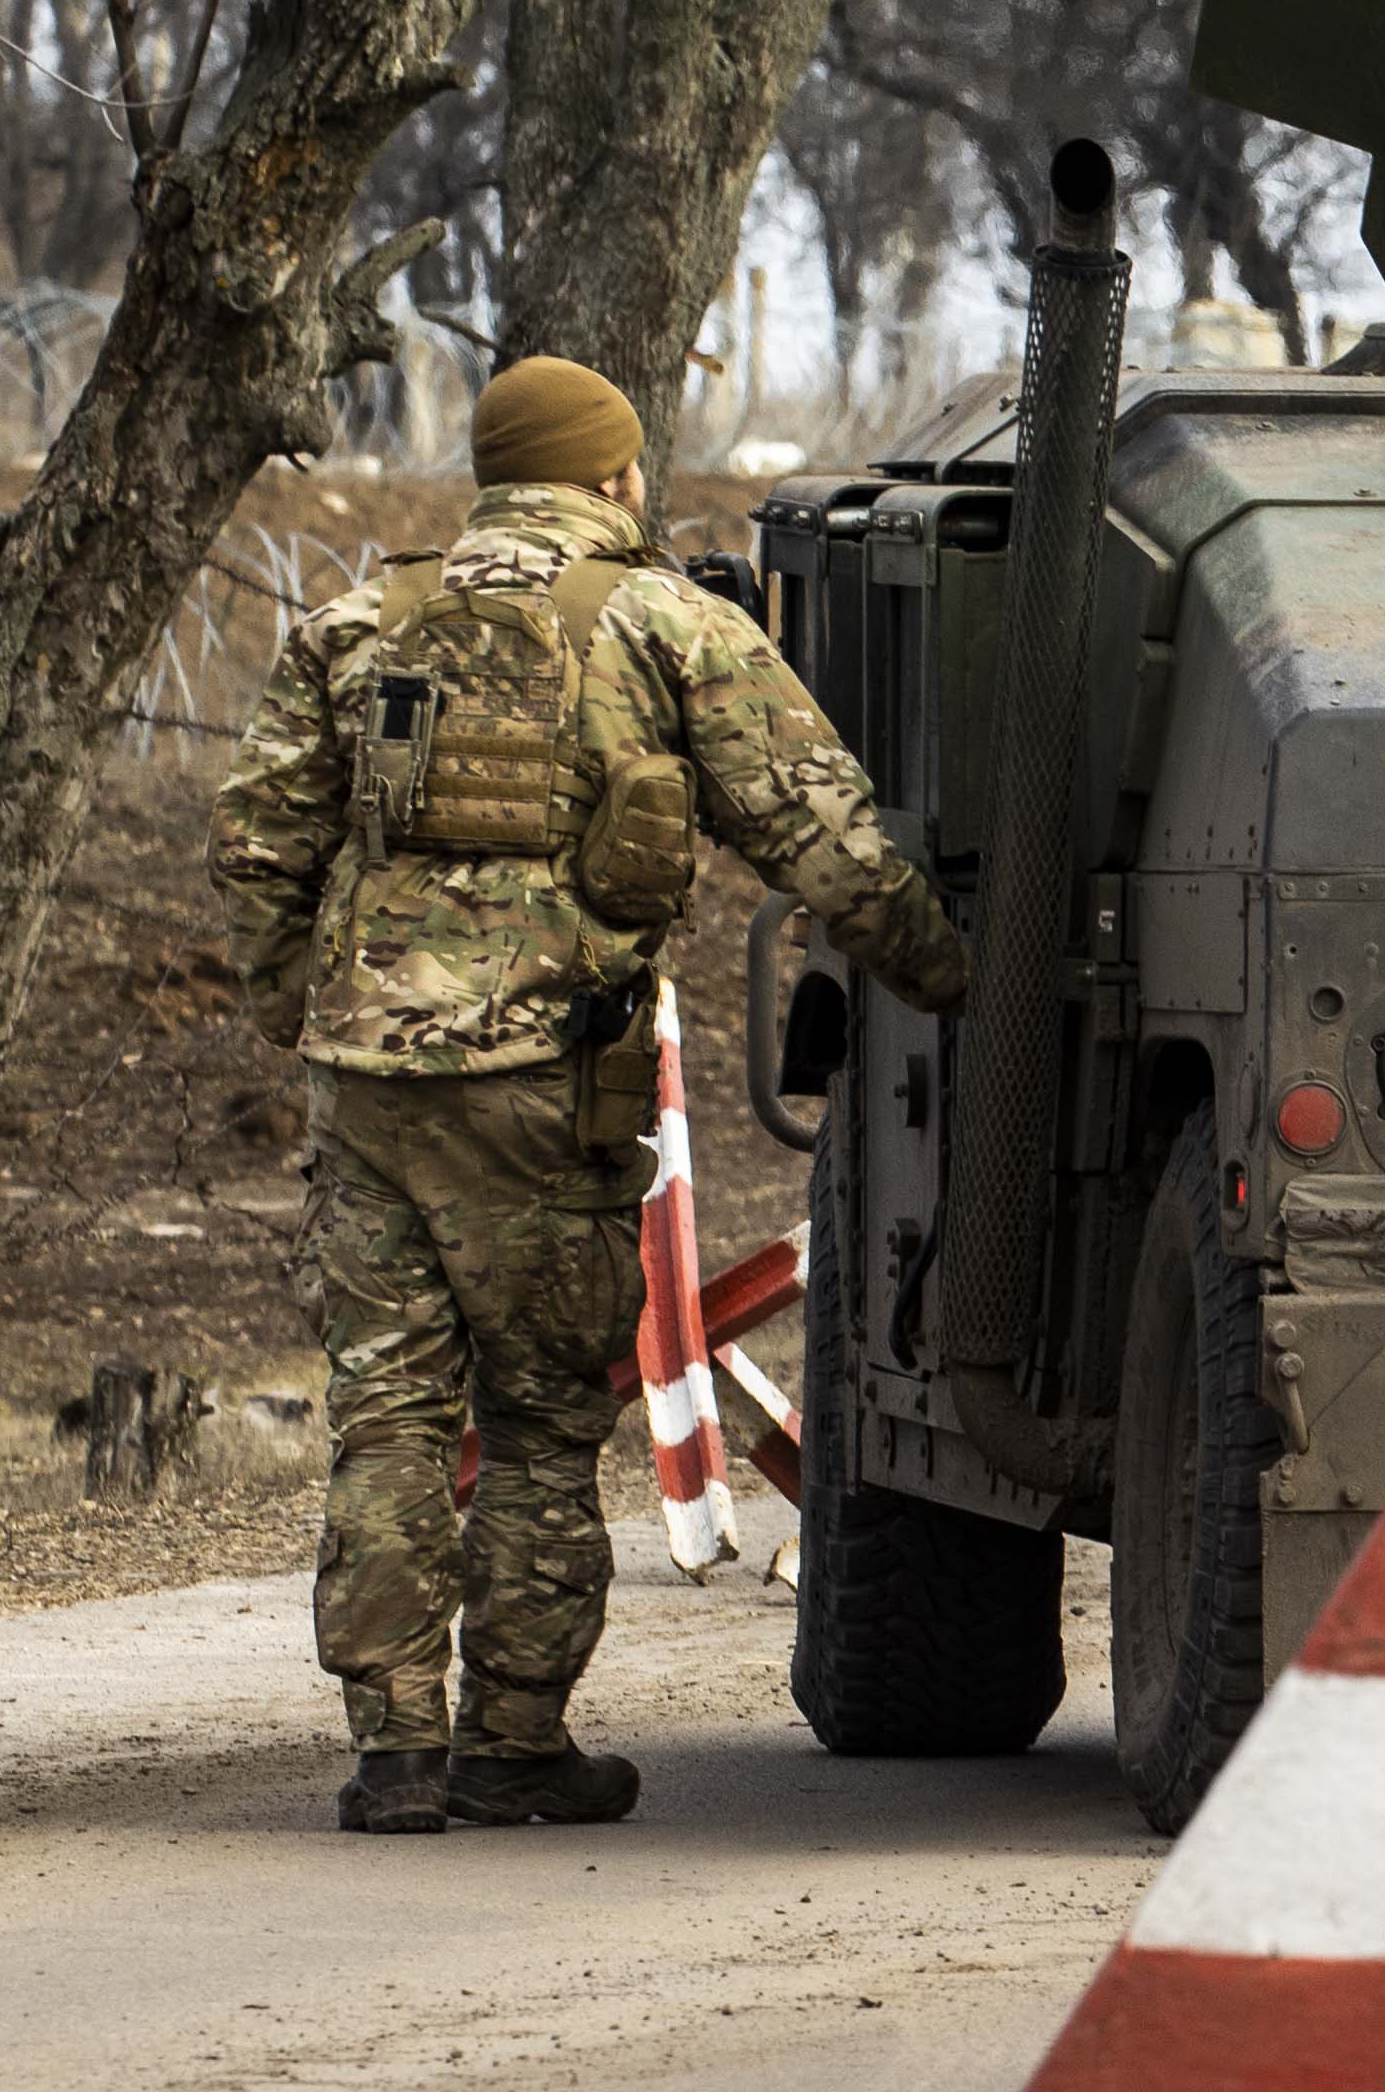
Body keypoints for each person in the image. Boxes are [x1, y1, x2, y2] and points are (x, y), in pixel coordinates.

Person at [212, 356, 970, 1837]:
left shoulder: (360, 624)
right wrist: (951, 979)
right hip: (545, 1096)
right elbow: (821, 842)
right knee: (546, 1419)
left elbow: (259, 851)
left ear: (496, 476)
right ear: (618, 478)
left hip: (362, 1090)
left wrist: (312, 1013)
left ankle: (393, 1755)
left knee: (386, 1415)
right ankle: (509, 1742)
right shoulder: (671, 627)